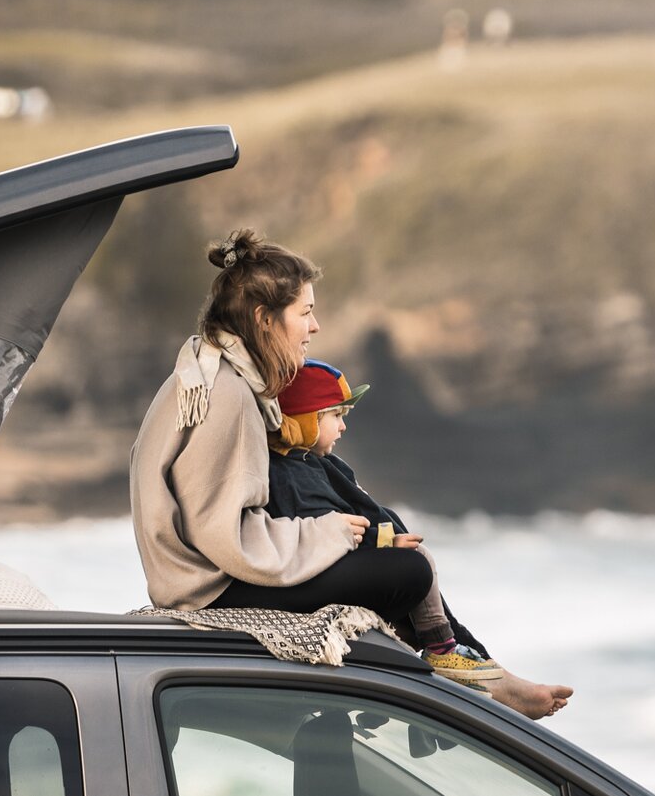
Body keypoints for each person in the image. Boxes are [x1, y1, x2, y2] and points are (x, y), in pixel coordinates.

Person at [129, 229, 571, 718]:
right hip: (207, 588)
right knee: (408, 571)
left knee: (394, 554)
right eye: (305, 312)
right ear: (264, 319)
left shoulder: (211, 373)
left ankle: (478, 672)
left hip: (201, 573)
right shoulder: (228, 394)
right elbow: (224, 533)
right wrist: (327, 534)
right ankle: (468, 676)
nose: (314, 327)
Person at [265, 359, 522, 691]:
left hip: (342, 559)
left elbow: (357, 511)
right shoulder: (289, 474)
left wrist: (386, 530)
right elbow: (325, 528)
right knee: (416, 567)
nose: (343, 427)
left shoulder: (318, 464)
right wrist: (382, 541)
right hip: (314, 571)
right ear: (305, 418)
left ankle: (459, 660)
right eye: (336, 416)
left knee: (416, 557)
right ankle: (445, 653)